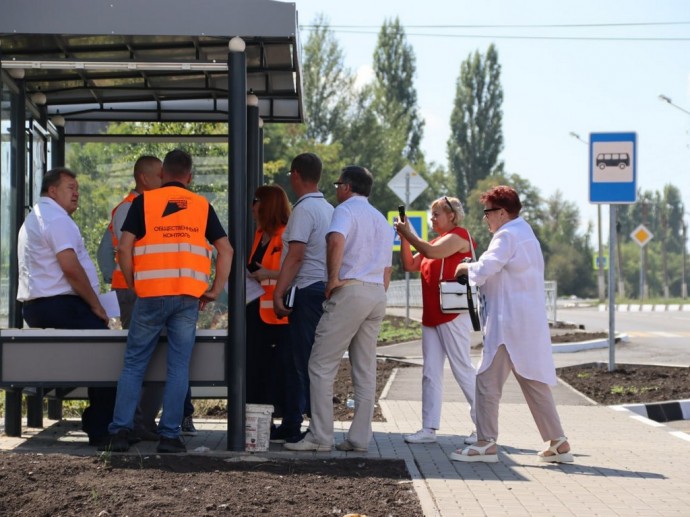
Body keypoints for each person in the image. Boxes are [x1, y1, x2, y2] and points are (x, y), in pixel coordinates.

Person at [101, 149, 233, 453]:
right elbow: (226, 251)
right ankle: (170, 436)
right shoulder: (202, 206)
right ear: (189, 176)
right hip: (187, 299)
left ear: (163, 175)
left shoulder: (144, 203)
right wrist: (214, 289)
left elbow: (123, 248)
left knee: (134, 363)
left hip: (149, 296)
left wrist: (134, 283)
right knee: (178, 367)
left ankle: (120, 432)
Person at [450, 185, 573, 463]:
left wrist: (465, 268)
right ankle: (559, 443)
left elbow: (487, 268)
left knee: (485, 382)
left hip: (507, 326)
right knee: (533, 381)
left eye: (488, 212)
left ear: (502, 212)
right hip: (526, 323)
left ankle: (484, 443)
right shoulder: (525, 232)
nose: (485, 218)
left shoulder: (506, 235)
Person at [285, 165, 392, 452]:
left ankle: (320, 436)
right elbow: (387, 268)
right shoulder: (380, 218)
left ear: (345, 186)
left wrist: (332, 279)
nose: (335, 189)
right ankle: (359, 438)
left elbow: (335, 239)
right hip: (375, 293)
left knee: (321, 365)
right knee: (365, 368)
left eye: (337, 184)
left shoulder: (344, 211)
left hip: (350, 291)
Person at [17, 167, 115, 446]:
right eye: (70, 187)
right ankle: (102, 429)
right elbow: (70, 267)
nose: (77, 193)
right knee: (108, 355)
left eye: (78, 188)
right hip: (60, 304)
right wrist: (96, 306)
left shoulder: (38, 217)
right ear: (52, 191)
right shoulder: (56, 219)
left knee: (87, 354)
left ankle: (47, 383)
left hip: (43, 305)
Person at [394, 196, 477, 445]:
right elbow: (409, 265)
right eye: (431, 215)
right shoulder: (434, 241)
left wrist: (408, 233)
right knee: (430, 373)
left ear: (451, 216)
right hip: (431, 315)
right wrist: (403, 238)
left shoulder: (459, 236)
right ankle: (428, 428)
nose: (432, 219)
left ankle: (485, 426)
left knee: (462, 369)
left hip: (452, 313)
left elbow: (429, 252)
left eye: (436, 214)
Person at [97, 155, 164, 442]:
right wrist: (135, 286)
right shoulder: (130, 208)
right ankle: (135, 424)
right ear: (145, 179)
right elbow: (123, 252)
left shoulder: (139, 206)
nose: (164, 181)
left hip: (140, 290)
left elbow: (105, 253)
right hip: (134, 291)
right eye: (160, 176)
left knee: (148, 356)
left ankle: (142, 422)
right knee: (139, 357)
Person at [271, 153, 334, 443]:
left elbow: (295, 256)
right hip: (321, 290)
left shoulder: (303, 210)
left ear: (296, 175)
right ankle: (300, 420)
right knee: (307, 358)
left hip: (305, 291)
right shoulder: (329, 209)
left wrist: (278, 290)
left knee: (299, 361)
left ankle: (296, 423)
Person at [246, 185, 291, 410]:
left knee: (275, 367)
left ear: (266, 205)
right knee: (255, 366)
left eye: (255, 201)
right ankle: (256, 414)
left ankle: (275, 414)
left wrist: (267, 274)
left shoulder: (285, 235)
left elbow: (295, 270)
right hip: (255, 310)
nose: (251, 207)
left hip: (276, 313)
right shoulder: (258, 234)